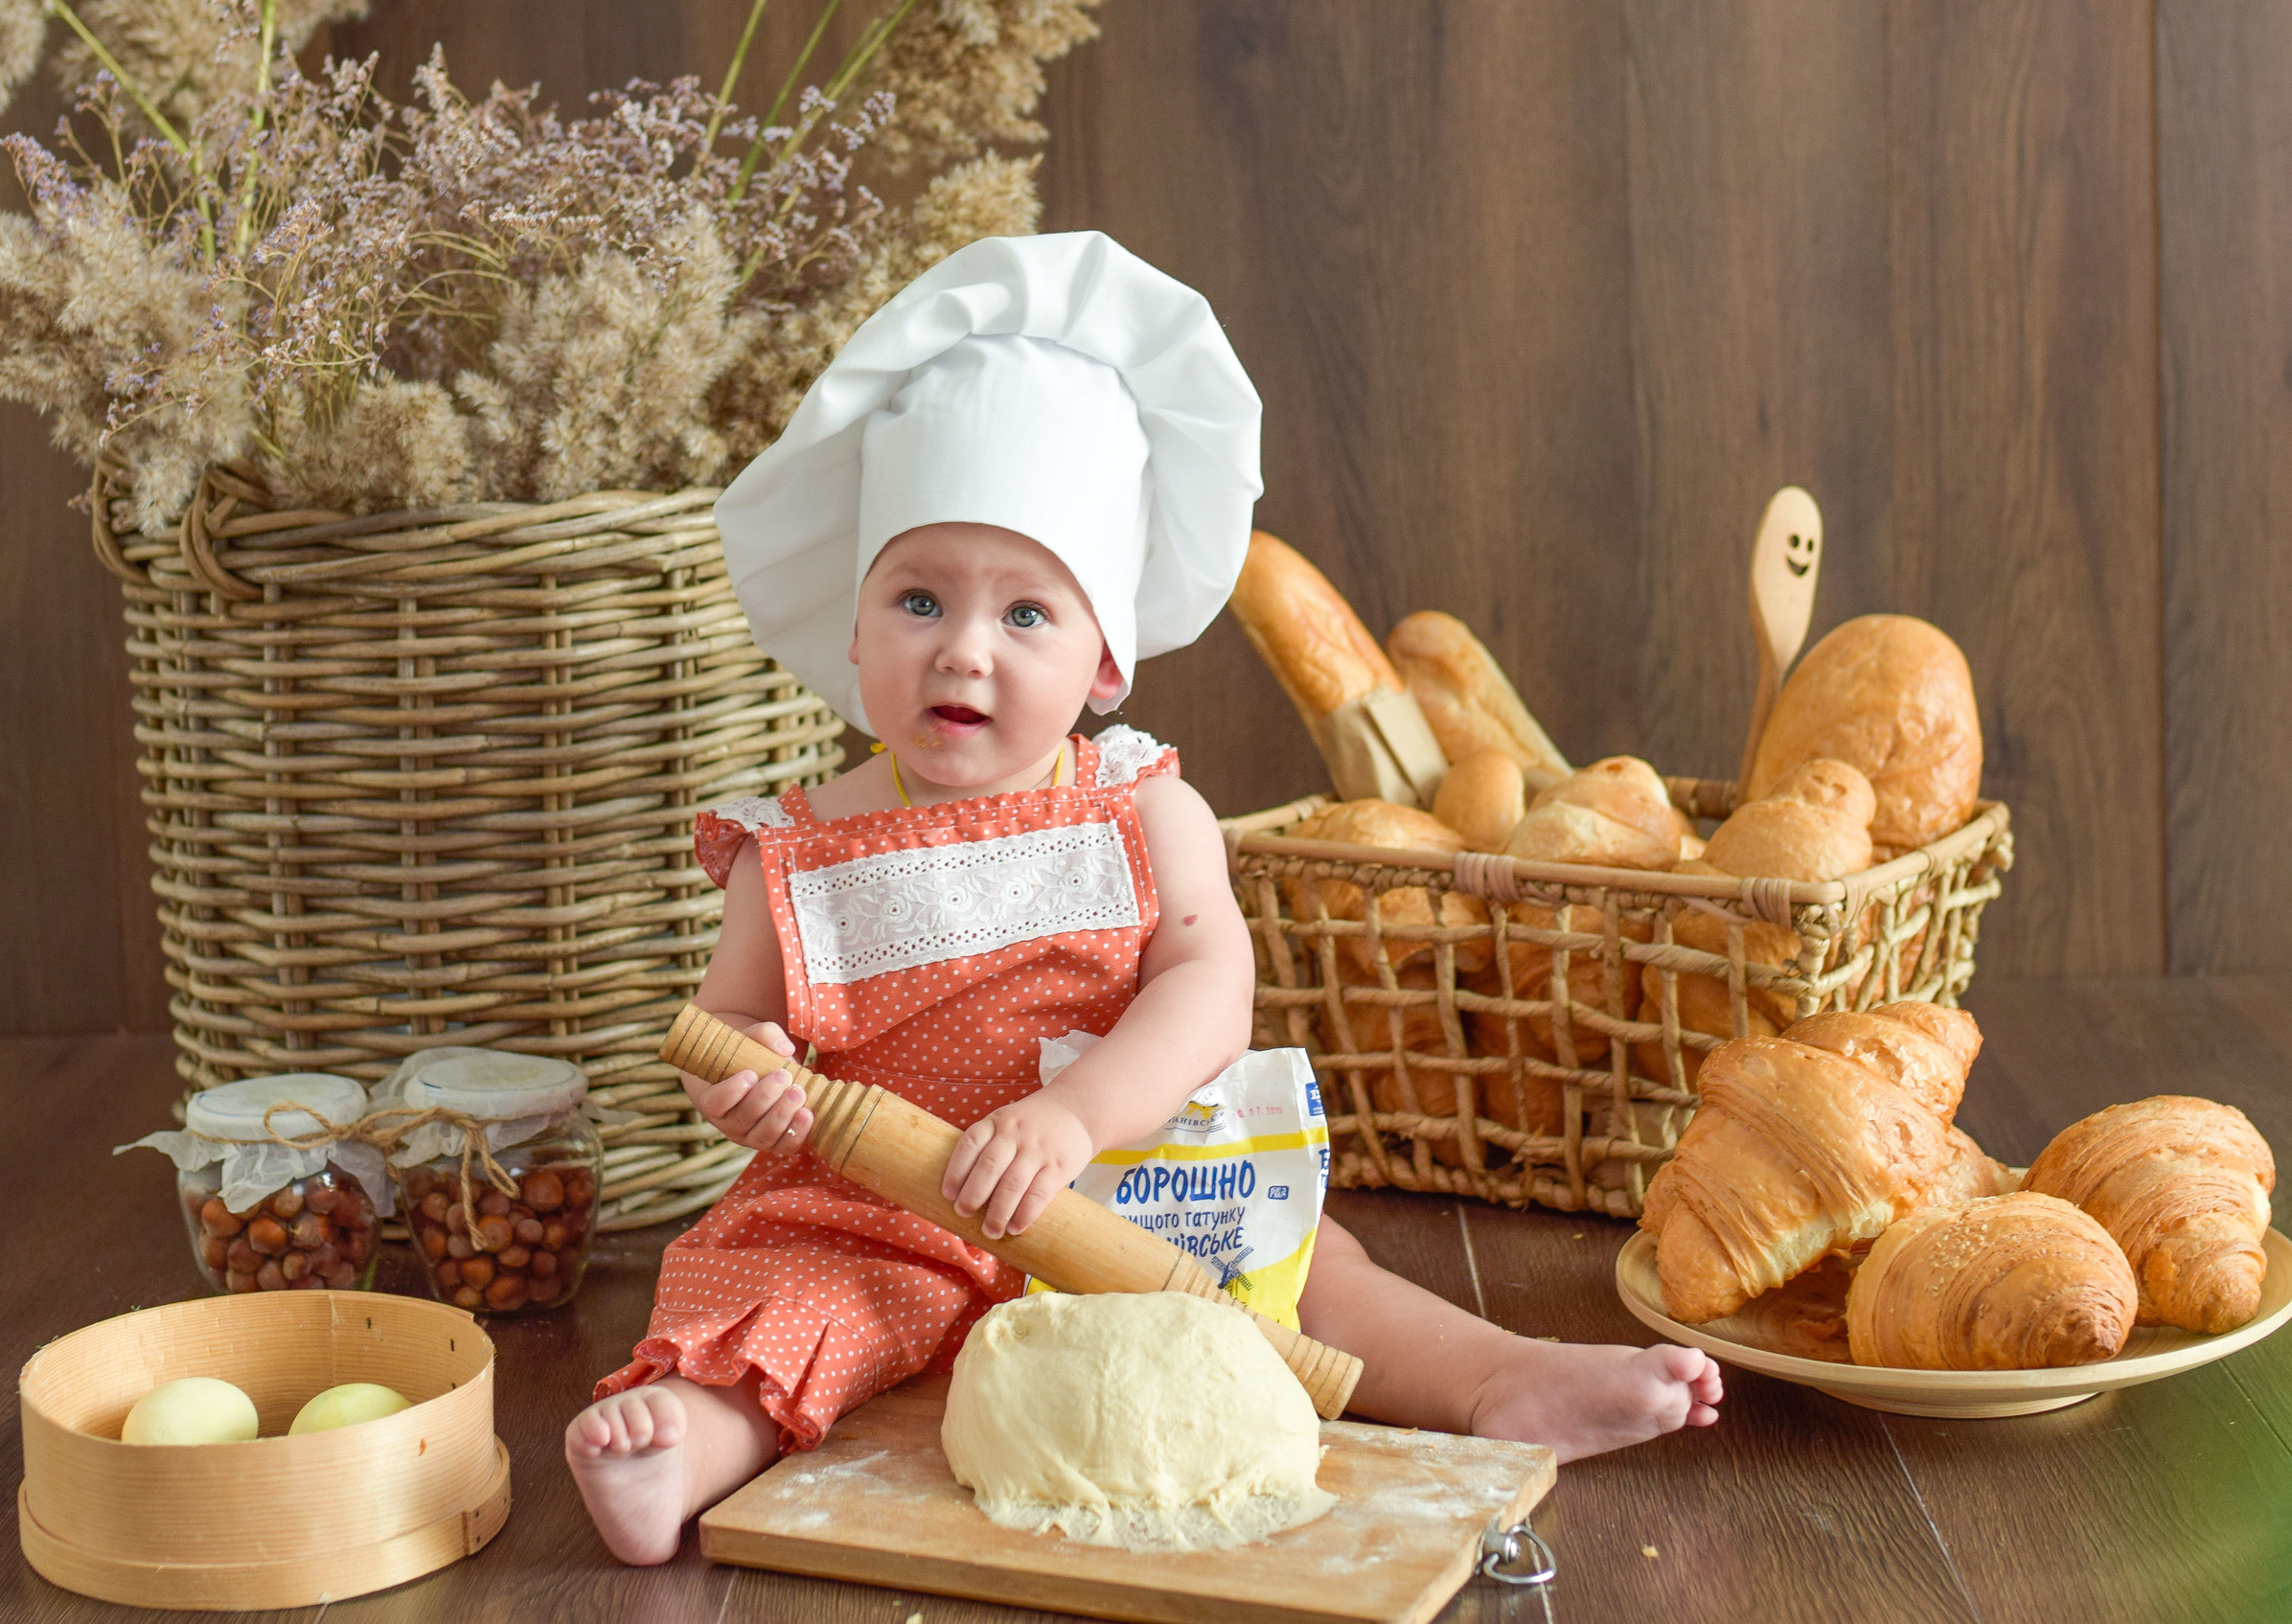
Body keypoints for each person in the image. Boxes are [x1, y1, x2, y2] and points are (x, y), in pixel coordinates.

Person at [566, 233, 1721, 1565]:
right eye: (921, 597)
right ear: (854, 623)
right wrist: (754, 1078)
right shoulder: (795, 848)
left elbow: (1207, 986)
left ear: (1107, 658)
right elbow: (730, 1033)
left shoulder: (1139, 809)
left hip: (1128, 1181)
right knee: (790, 1301)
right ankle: (683, 1445)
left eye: (1026, 616)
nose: (962, 649)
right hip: (877, 1212)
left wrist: (1073, 1119)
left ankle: (1492, 1379)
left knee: (1321, 1280)